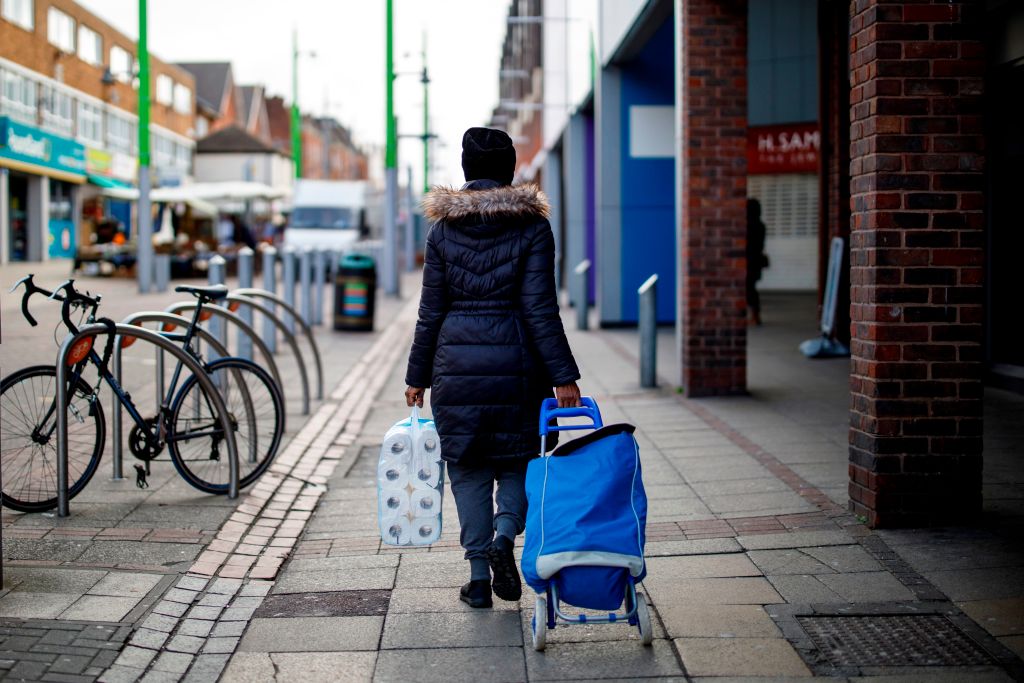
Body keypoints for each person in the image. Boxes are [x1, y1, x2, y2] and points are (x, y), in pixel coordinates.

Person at [405, 127, 582, 609]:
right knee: (519, 460)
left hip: (455, 364)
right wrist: (564, 376)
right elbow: (541, 308)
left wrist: (416, 376)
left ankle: (479, 580)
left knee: (467, 470)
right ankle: (506, 537)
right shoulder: (532, 227)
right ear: (510, 169)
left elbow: (430, 311)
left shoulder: (443, 230)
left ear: (466, 169)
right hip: (518, 364)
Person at [746, 198, 768, 326]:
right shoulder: (761, 225)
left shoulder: (748, 225)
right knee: (751, 288)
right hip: (756, 261)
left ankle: (755, 316)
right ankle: (755, 315)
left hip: (749, 261)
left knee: (749, 289)